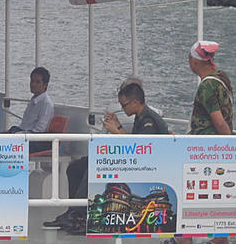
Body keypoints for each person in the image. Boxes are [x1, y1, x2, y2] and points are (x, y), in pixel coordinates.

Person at [47, 82, 170, 233]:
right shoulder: (140, 116)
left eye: (124, 105)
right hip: (134, 161)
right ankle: (74, 212)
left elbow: (141, 149)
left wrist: (116, 132)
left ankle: (81, 215)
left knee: (94, 168)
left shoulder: (149, 120)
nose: (123, 109)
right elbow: (135, 142)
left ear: (135, 102)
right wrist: (118, 126)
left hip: (146, 166)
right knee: (76, 167)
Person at [164, 41, 234, 244]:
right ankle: (206, 235)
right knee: (214, 192)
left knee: (192, 189)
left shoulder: (206, 86)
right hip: (210, 147)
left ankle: (207, 238)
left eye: (189, 59)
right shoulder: (222, 78)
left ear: (195, 61)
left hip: (206, 148)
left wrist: (225, 147)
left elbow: (219, 121)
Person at [11, 67, 53, 153]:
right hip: (24, 134)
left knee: (2, 143)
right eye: (32, 81)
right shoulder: (34, 100)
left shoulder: (46, 104)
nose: (33, 84)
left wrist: (16, 135)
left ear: (45, 85)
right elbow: (24, 125)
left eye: (37, 82)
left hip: (35, 140)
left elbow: (39, 131)